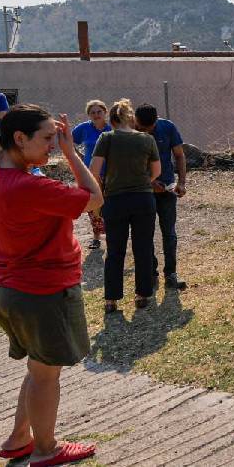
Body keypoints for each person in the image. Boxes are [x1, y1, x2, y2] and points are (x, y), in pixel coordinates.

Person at [0, 104, 102, 466]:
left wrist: (56, 148)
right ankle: (46, 449)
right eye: (48, 138)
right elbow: (95, 199)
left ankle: (18, 439)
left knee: (38, 369)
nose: (54, 144)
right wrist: (72, 153)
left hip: (8, 290)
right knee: (46, 376)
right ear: (19, 138)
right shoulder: (30, 186)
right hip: (41, 293)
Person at [90, 99, 161, 313]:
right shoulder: (147, 139)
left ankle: (111, 299)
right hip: (143, 199)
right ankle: (142, 294)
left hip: (115, 200)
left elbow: (94, 169)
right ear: (131, 118)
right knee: (143, 247)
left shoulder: (106, 138)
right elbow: (157, 171)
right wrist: (143, 181)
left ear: (111, 119)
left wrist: (103, 187)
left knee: (115, 250)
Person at [134, 103, 189, 290]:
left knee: (169, 233)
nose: (147, 132)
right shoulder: (131, 131)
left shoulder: (168, 127)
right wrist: (149, 183)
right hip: (142, 191)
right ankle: (151, 272)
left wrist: (181, 182)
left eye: (150, 128)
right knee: (145, 234)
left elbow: (180, 156)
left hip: (167, 189)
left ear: (157, 120)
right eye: (143, 128)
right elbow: (129, 164)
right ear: (136, 121)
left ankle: (171, 273)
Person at [71, 99, 110, 250]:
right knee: (93, 206)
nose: (96, 115)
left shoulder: (110, 128)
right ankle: (96, 237)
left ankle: (113, 235)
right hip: (90, 173)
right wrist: (78, 157)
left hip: (110, 172)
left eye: (99, 112)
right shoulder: (84, 128)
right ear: (88, 115)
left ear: (105, 112)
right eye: (92, 112)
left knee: (109, 203)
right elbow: (69, 142)